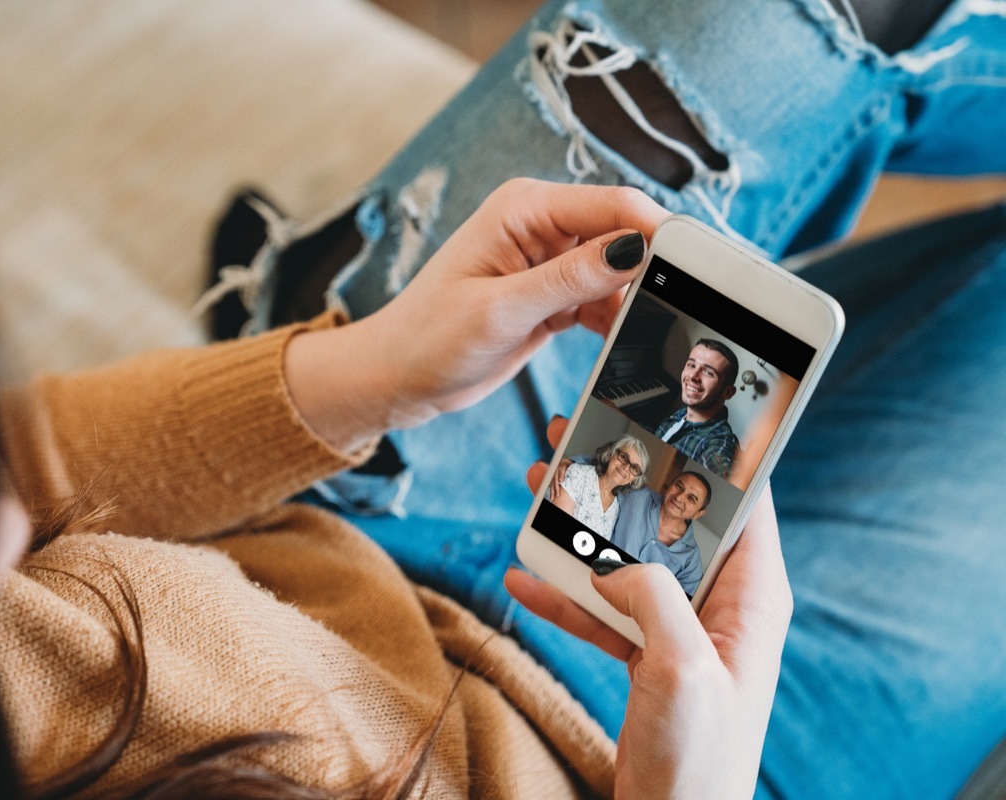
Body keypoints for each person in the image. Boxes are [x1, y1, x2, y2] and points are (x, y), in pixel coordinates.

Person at [0, 138, 791, 798]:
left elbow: (31, 450)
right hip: (638, 746)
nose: (8, 519)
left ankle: (295, 300)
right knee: (937, 297)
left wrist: (371, 368)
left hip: (365, 550)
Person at [200, 1, 1006, 797]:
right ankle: (302, 295)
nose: (694, 380)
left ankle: (303, 308)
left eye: (706, 379)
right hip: (705, 749)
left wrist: (340, 377)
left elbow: (64, 454)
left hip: (331, 529)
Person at [609, 471, 709, 595]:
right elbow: (601, 473)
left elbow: (682, 606)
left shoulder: (691, 559)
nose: (679, 497)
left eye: (691, 498)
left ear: (698, 513)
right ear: (671, 484)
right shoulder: (637, 495)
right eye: (679, 486)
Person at [653, 339, 740, 478]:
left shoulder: (718, 442)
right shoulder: (682, 415)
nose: (693, 376)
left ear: (728, 392)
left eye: (708, 373)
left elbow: (722, 472)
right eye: (691, 365)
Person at [548, 435, 649, 538]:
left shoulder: (616, 510)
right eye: (623, 457)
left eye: (634, 468)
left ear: (634, 480)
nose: (626, 468)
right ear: (610, 454)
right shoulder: (577, 474)